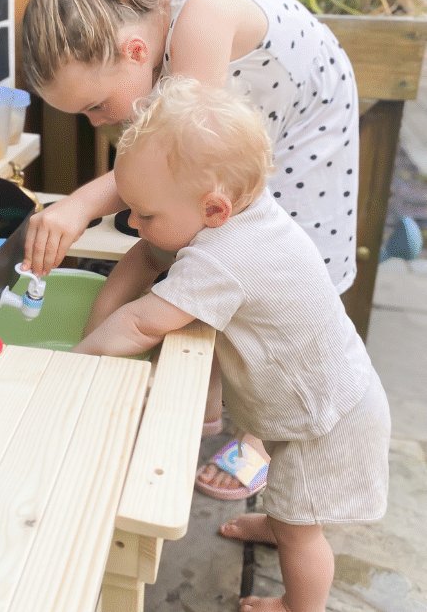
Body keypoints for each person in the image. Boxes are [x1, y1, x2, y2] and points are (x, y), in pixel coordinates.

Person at [19, 0, 360, 500]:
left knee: (273, 275)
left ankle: (261, 439)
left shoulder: (197, 23)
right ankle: (205, 403)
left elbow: (182, 159)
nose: (99, 122)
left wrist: (79, 204)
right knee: (189, 248)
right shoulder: (144, 19)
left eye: (97, 105)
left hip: (302, 136)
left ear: (134, 51)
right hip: (237, 135)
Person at [72, 77, 389, 612]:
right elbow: (155, 258)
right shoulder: (246, 216)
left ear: (215, 209)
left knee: (302, 533)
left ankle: (298, 604)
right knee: (292, 506)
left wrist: (73, 363)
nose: (131, 222)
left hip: (325, 419)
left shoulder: (225, 257)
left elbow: (143, 324)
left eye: (145, 215)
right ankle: (282, 518)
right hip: (330, 391)